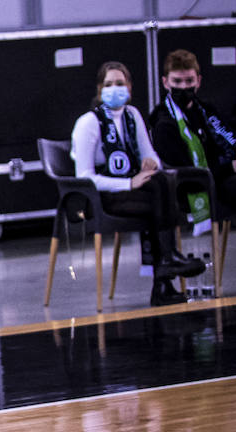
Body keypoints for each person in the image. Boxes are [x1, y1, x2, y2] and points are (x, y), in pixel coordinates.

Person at [70, 61, 206, 306]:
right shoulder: (88, 123)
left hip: (134, 191)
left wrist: (149, 163)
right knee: (160, 195)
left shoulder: (133, 115)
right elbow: (85, 177)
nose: (115, 89)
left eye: (120, 84)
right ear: (100, 90)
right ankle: (165, 268)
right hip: (102, 196)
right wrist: (129, 184)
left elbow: (150, 154)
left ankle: (165, 267)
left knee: (161, 181)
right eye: (109, 84)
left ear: (130, 88)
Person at [148, 50, 236, 228]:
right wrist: (233, 167)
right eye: (177, 81)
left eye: (189, 81)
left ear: (198, 81)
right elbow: (186, 172)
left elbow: (230, 139)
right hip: (194, 187)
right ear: (165, 82)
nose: (183, 87)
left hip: (222, 176)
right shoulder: (163, 122)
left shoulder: (206, 110)